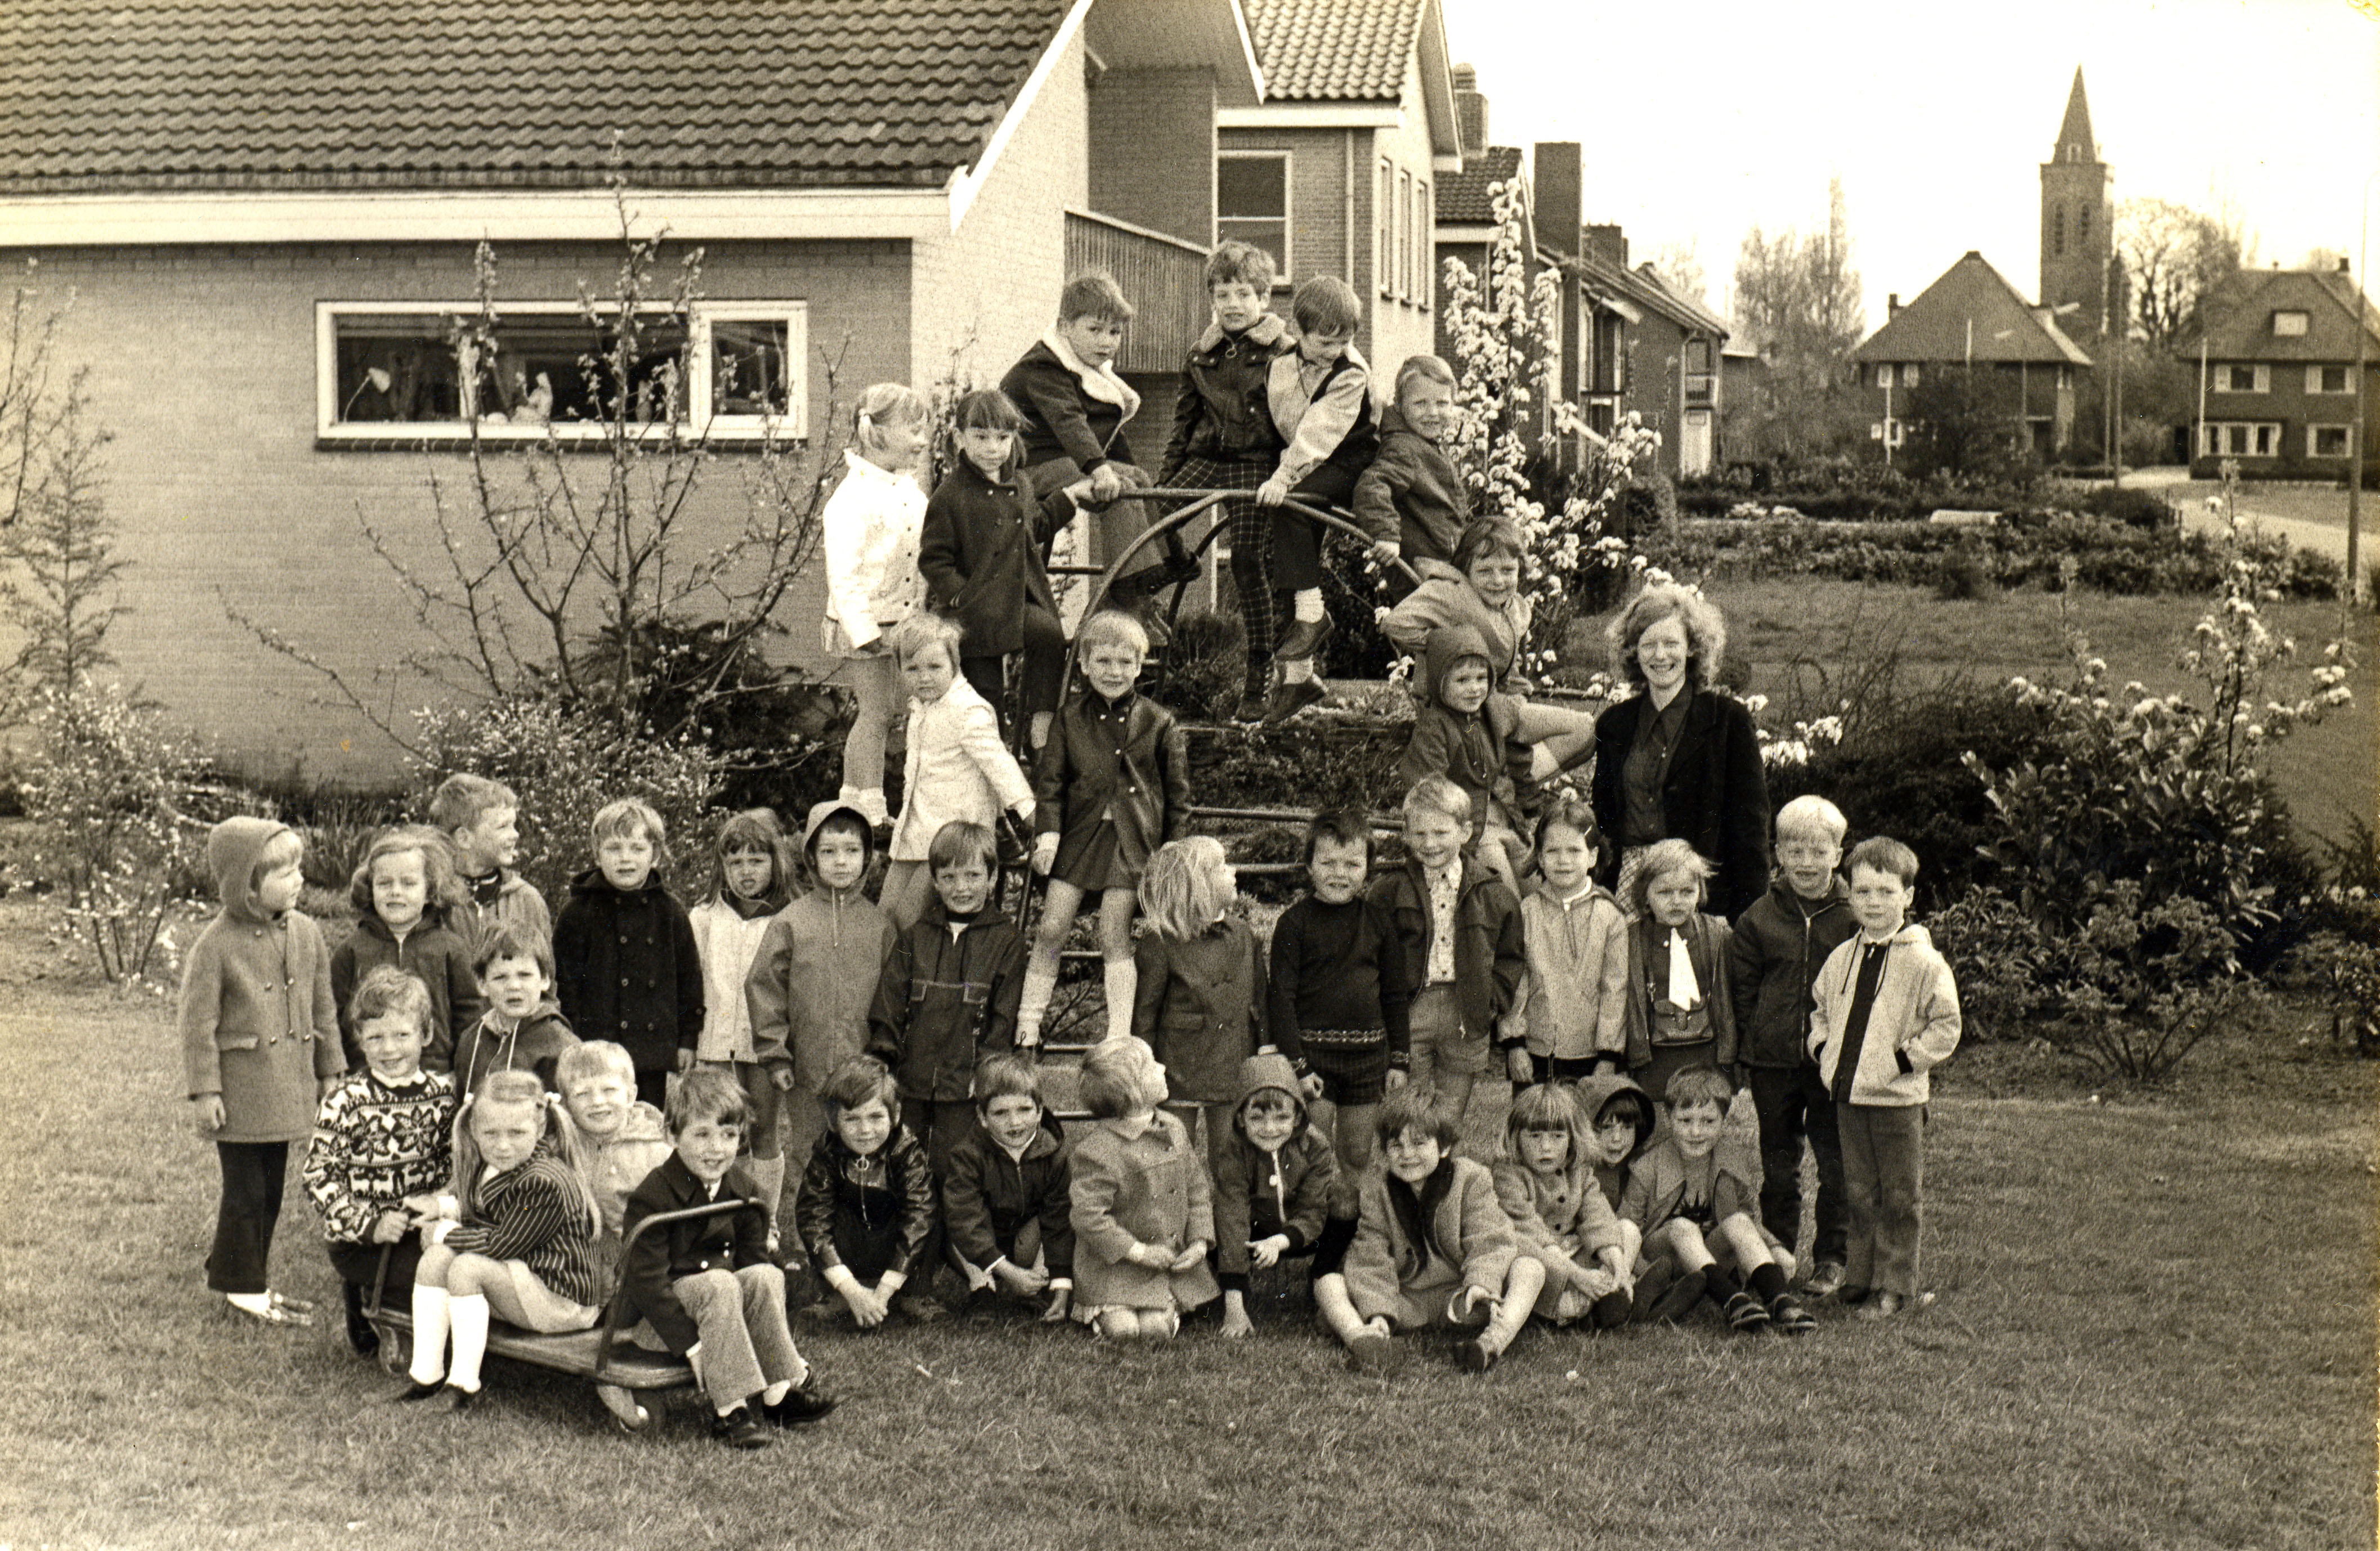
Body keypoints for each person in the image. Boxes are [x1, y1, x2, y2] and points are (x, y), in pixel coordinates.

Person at [618, 1069, 838, 1450]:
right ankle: (730, 1412)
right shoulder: (654, 1195)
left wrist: (764, 1275)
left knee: (765, 1276)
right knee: (720, 1282)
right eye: (701, 1135)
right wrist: (693, 1347)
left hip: (717, 1310)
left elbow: (752, 1266)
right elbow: (647, 1283)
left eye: (729, 1135)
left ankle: (779, 1394)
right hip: (658, 1323)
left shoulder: (745, 1191)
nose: (716, 1148)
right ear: (672, 1135)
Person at [182, 815, 343, 1328]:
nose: (298, 880)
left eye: (299, 869)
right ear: (247, 884)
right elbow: (196, 1025)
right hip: (244, 1088)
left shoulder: (308, 933)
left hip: (287, 1084)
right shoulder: (216, 944)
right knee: (247, 1191)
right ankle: (245, 1287)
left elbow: (324, 1009)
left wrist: (331, 1070)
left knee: (269, 1190)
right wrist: (206, 1090)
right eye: (283, 872)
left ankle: (235, 1265)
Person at [1807, 836, 1961, 1320]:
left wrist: (1903, 1060)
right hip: (1849, 1096)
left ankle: (1896, 1285)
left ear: (1908, 897)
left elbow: (1947, 1024)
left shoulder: (1923, 961)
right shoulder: (1841, 958)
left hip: (1897, 1102)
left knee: (1899, 1195)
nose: (1873, 902)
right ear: (1849, 895)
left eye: (1885, 892)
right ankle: (1861, 1276)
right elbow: (1820, 1011)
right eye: (1863, 892)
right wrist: (1822, 1049)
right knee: (1859, 1190)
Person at [1019, 610, 1189, 1048]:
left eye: (1124, 663)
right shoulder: (1069, 718)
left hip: (1133, 843)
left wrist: (1172, 853)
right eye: (1104, 661)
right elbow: (1051, 785)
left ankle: (1118, 1036)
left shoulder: (1160, 722)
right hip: (1078, 839)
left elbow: (1178, 797)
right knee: (1052, 927)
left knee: (1114, 932)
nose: (1114, 672)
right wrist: (1048, 834)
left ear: (1139, 666)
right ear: (1084, 665)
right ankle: (1027, 1027)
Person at [398, 1069, 605, 1409]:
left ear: (539, 1129)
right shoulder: (495, 1165)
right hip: (526, 1278)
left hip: (562, 1299)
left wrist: (444, 1232)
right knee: (436, 1260)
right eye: (491, 1133)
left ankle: (462, 1385)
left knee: (465, 1267)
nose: (503, 1144)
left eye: (516, 1132)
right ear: (475, 1131)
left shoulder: (544, 1180)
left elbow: (501, 1245)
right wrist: (443, 1206)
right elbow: (486, 1209)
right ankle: (425, 1376)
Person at [1156, 239, 1296, 723]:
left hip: (1257, 462)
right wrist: (1165, 482)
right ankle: (1182, 565)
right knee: (1158, 514)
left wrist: (1289, 472)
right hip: (1209, 455)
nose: (1232, 305)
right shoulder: (1201, 355)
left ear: (1263, 299)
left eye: (1242, 294)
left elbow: (1297, 418)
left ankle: (1260, 672)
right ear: (1211, 301)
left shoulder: (1285, 350)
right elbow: (1182, 423)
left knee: (1246, 560)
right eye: (1222, 295)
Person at [1314, 1087, 1546, 1374]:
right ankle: (1364, 1340)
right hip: (1406, 1300)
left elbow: (1489, 1237)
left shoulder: (1472, 1178)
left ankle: (1491, 1343)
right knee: (1327, 1283)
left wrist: (1481, 1284)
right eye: (1396, 1145)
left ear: (1445, 1147)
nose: (1407, 1154)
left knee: (1530, 1268)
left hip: (1464, 1296)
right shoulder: (1378, 1192)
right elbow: (1371, 1257)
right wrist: (1378, 1312)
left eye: (1419, 1143)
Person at [1000, 271, 1192, 614]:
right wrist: (1100, 469)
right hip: (1026, 468)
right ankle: (1125, 586)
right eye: (1095, 330)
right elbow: (1069, 423)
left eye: (1115, 332)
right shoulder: (1044, 367)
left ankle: (1168, 557)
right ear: (1064, 327)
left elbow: (1111, 437)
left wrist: (1122, 468)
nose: (1106, 341)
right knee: (1115, 491)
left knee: (1138, 479)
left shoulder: (1093, 373)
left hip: (1065, 464)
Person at [1728, 795, 1858, 1299]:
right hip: (1773, 1062)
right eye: (1794, 850)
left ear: (1837, 854)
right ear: (1777, 852)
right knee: (1779, 1166)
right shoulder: (1758, 918)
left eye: (1817, 851)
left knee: (1836, 1164)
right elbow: (1743, 991)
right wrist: (1745, 1051)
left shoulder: (1852, 917)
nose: (1806, 862)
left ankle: (1832, 1258)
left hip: (1830, 1066)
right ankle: (1778, 1252)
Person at [918, 388, 1087, 749]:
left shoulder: (1019, 484)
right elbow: (934, 558)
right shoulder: (950, 495)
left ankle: (1041, 723)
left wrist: (1067, 500)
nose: (993, 448)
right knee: (986, 695)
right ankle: (992, 773)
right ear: (960, 437)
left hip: (1016, 600)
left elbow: (1035, 528)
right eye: (981, 437)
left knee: (1048, 634)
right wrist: (961, 594)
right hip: (976, 611)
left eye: (1003, 438)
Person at [1592, 582, 1773, 920]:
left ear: (1692, 648)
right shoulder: (1614, 725)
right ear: (1634, 652)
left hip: (1699, 895)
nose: (1660, 656)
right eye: (1649, 645)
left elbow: (1751, 830)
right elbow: (1603, 822)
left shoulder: (1728, 720)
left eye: (1672, 643)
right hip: (1627, 894)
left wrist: (1748, 919)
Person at [746, 801, 895, 1203]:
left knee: (862, 1155)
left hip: (864, 1071)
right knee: (808, 1155)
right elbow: (765, 988)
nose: (841, 862)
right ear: (811, 857)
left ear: (868, 858)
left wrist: (884, 1057)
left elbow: (894, 998)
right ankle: (800, 1246)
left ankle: (853, 1241)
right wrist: (775, 1055)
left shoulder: (880, 924)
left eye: (852, 852)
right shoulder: (791, 921)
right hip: (806, 1071)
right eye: (829, 852)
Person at [304, 966, 456, 1356]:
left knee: (454, 1269)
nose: (389, 1049)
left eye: (402, 1035)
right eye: (376, 1038)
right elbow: (319, 1176)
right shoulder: (344, 1101)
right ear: (360, 1041)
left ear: (426, 1034)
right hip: (362, 1239)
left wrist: (441, 1206)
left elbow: (455, 1166)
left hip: (419, 1228)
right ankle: (380, 1314)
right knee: (426, 1278)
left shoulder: (442, 1097)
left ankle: (386, 1305)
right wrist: (368, 1225)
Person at [1266, 810, 1412, 1207]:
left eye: (1352, 864)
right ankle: (1309, 1225)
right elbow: (1281, 999)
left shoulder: (1378, 922)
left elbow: (1395, 996)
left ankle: (1352, 1225)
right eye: (1328, 862)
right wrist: (1298, 1065)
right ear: (1309, 865)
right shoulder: (1294, 924)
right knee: (1312, 1150)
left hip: (1368, 1060)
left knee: (1358, 1153)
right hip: (1314, 1060)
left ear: (1368, 869)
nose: (1340, 873)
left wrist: (1399, 1059)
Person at [1254, 275, 1383, 723]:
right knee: (1292, 554)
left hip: (1349, 461)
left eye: (1344, 341)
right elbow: (1283, 421)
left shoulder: (1351, 373)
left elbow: (1318, 433)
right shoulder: (1281, 365)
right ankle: (1299, 678)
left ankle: (1314, 617)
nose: (1335, 351)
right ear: (1300, 331)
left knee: (1294, 505)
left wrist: (1284, 477)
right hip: (1308, 462)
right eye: (1326, 342)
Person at [866, 821, 1025, 1180]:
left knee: (958, 1171)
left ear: (992, 877)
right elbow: (888, 1005)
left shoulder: (1006, 941)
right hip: (911, 1081)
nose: (961, 888)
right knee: (902, 1169)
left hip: (965, 1088)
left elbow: (1004, 1016)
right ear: (934, 881)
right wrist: (885, 1066)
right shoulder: (915, 936)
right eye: (949, 877)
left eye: (972, 876)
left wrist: (987, 1072)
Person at [1369, 776, 1525, 1133]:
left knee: (1449, 1121)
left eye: (1441, 833)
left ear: (1466, 831)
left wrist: (1491, 1001)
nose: (1430, 844)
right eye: (1420, 834)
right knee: (1411, 1114)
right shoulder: (1389, 890)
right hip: (1411, 1010)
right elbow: (1372, 953)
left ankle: (1446, 1179)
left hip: (1466, 1011)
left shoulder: (1492, 890)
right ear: (1406, 835)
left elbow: (1511, 955)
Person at [1619, 1068, 1811, 1334]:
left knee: (1739, 1220)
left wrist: (1775, 1247)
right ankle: (1733, 1301)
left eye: (1708, 1122)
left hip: (1710, 1257)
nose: (1696, 1132)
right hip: (1663, 1258)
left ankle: (1780, 1300)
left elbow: (1747, 1219)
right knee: (1683, 1227)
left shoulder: (1731, 1159)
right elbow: (1627, 1225)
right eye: (1685, 1121)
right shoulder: (1648, 1166)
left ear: (1724, 1120)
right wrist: (1637, 1273)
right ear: (1669, 1118)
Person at [820, 381, 933, 829]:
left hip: (903, 619)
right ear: (879, 435)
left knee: (895, 714)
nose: (923, 442)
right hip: (865, 623)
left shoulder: (908, 490)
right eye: (914, 432)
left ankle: (876, 800)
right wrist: (864, 633)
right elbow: (843, 577)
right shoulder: (852, 498)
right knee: (874, 713)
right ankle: (864, 806)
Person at [881, 613, 1035, 930]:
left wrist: (1030, 813)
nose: (924, 677)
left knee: (910, 920)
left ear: (955, 664)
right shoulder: (921, 706)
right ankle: (884, 979)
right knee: (884, 918)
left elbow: (1001, 766)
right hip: (917, 829)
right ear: (900, 671)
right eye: (913, 669)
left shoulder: (967, 710)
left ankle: (914, 977)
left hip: (951, 836)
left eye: (935, 667)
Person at [552, 797, 704, 1109]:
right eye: (614, 848)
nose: (625, 859)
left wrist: (687, 1041)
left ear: (655, 855)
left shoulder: (670, 912)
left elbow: (689, 980)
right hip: (593, 1048)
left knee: (647, 1128)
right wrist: (570, 1042)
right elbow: (564, 984)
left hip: (652, 1053)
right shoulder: (577, 911)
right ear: (597, 853)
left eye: (637, 849)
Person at [1066, 1036, 1218, 1339]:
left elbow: (1197, 1190)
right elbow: (1089, 1218)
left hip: (1166, 1261)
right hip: (1116, 1265)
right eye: (1152, 1065)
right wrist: (1138, 1252)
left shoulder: (1173, 1128)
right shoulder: (1097, 1151)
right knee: (1124, 1331)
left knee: (1154, 1331)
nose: (1162, 1067)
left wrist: (1200, 1242)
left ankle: (1166, 1309)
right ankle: (1104, 1312)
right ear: (1133, 1092)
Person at [687, 808, 798, 1220]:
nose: (746, 872)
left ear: (776, 861)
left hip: (764, 1046)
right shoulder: (704, 917)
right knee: (721, 1131)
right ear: (722, 866)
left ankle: (764, 1222)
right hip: (716, 1043)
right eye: (735, 862)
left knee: (764, 1131)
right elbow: (690, 979)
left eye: (757, 860)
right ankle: (720, 1220)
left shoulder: (789, 917)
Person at [1131, 836, 1268, 1169]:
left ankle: (1228, 1221)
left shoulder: (1243, 934)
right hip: (1178, 1068)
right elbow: (1145, 1016)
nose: (1233, 872)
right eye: (1222, 867)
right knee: (1173, 1155)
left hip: (1234, 1063)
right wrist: (1145, 1071)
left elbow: (1261, 1001)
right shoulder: (1161, 942)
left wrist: (1265, 1052)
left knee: (1231, 1162)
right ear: (1197, 885)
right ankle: (1174, 1221)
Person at [795, 1055, 943, 1327]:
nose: (865, 1130)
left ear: (895, 1114)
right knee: (824, 1215)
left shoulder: (907, 1152)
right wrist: (849, 1288)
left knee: (926, 1214)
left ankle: (914, 1293)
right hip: (851, 1250)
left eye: (876, 1117)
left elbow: (919, 1215)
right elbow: (812, 1218)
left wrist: (884, 1292)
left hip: (895, 1251)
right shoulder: (827, 1155)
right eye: (852, 1119)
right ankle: (840, 1293)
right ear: (833, 1122)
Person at [1393, 623, 1536, 891]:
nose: (1474, 689)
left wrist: (1529, 807)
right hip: (1474, 832)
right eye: (1462, 681)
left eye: (1481, 679)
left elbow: (1518, 754)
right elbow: (1429, 789)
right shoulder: (1435, 726)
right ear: (1440, 682)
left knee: (1539, 890)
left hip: (1506, 820)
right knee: (1507, 897)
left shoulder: (1489, 714)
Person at [330, 824, 480, 1074]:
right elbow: (332, 1016)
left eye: (409, 883)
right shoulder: (352, 950)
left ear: (430, 891)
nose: (396, 892)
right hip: (365, 1075)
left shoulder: (451, 949)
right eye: (385, 883)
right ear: (371, 888)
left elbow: (470, 1017)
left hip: (436, 1076)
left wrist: (461, 1072)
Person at [940, 1052, 1073, 1323]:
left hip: (1025, 1238)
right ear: (983, 1117)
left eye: (1024, 1110)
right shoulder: (968, 1154)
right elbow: (965, 1220)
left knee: (1066, 1214)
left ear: (1039, 1110)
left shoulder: (1054, 1153)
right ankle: (983, 1288)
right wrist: (1008, 1273)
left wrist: (1061, 1285)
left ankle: (1039, 1285)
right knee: (957, 1217)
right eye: (1001, 1113)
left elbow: (1058, 1221)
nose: (1014, 1123)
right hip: (982, 1245)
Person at [1211, 1052, 1338, 1338]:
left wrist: (1280, 1242)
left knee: (1346, 1205)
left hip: (1298, 1232)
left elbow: (1313, 1211)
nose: (1270, 1129)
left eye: (1282, 1117)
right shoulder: (1233, 1150)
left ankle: (1324, 1287)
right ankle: (1228, 1291)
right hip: (1252, 1232)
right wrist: (1234, 1307)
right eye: (1258, 1118)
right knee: (1214, 1220)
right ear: (1241, 1119)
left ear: (1297, 1117)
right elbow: (1232, 1216)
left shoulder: (1315, 1145)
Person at [1506, 800, 1630, 1088]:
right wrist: (1514, 1044)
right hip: (1534, 1051)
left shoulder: (1610, 916)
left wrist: (1608, 1056)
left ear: (1593, 856)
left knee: (1583, 1129)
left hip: (1589, 1054)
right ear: (1539, 856)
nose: (1563, 860)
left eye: (1574, 851)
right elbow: (1515, 981)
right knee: (1535, 1128)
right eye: (1552, 851)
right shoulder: (1526, 912)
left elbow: (1616, 988)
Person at [1492, 1083, 1633, 1330]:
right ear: (1516, 1137)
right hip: (1537, 1257)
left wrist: (1618, 1264)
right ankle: (1581, 1310)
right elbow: (1529, 1230)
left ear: (1572, 1138)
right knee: (1527, 1264)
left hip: (1571, 1253)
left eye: (1557, 1137)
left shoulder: (1579, 1171)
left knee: (1627, 1231)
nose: (1546, 1147)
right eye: (1535, 1137)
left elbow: (1597, 1216)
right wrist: (1578, 1276)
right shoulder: (1508, 1174)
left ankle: (1617, 1287)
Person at [1621, 839, 1738, 1105]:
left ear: (1701, 891)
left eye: (1687, 891)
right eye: (1664, 893)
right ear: (1645, 894)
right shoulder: (1631, 939)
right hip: (1654, 1057)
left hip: (1708, 1053)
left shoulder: (1719, 935)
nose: (1676, 901)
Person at [1349, 353, 1466, 602]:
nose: (1433, 413)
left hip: (1437, 569)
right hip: (1418, 573)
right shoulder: (1404, 447)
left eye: (1442, 403)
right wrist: (1386, 535)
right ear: (1400, 406)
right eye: (1421, 404)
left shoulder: (1424, 442)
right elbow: (1372, 486)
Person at [556, 1039, 672, 1285]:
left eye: (609, 1090)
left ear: (631, 1095)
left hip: (646, 1270)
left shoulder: (657, 1150)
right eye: (583, 1094)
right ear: (566, 1105)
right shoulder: (561, 1149)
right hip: (578, 1269)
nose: (597, 1101)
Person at [449, 924, 579, 1097]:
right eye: (500, 977)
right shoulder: (471, 1040)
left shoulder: (561, 1044)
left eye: (524, 975)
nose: (513, 986)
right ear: (482, 984)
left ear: (545, 979)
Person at [428, 773, 552, 954]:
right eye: (503, 827)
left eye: (514, 825)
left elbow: (545, 972)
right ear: (464, 838)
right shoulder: (435, 899)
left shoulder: (526, 899)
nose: (515, 835)